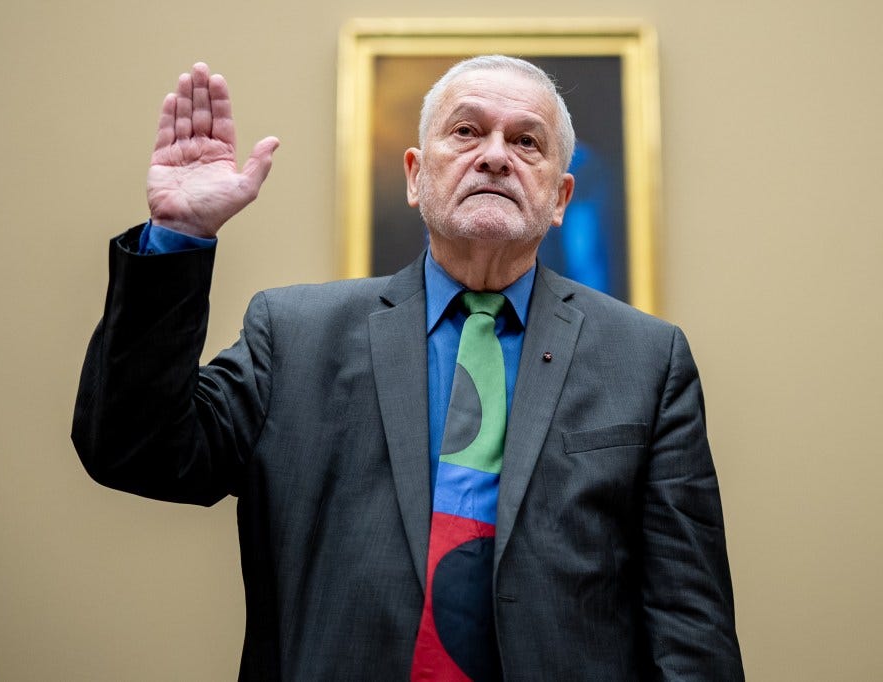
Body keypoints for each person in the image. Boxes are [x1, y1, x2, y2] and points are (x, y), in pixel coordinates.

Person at [73, 56, 743, 680]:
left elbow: (689, 619)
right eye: (467, 132)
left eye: (527, 142)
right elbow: (136, 451)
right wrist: (180, 236)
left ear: (561, 195)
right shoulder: (295, 336)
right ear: (415, 177)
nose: (495, 157)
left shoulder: (647, 360)